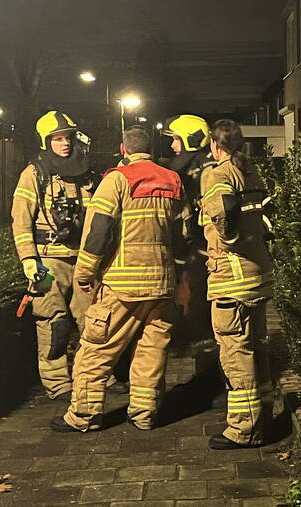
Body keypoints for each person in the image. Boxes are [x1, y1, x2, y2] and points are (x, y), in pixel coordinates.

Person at [51, 125, 186, 432]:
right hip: (163, 284)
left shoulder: (117, 180)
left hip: (123, 285)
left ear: (123, 150)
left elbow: (98, 232)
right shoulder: (173, 179)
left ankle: (83, 416)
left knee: (96, 350)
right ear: (149, 149)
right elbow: (183, 234)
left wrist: (84, 273)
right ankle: (144, 414)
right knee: (151, 352)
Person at [11, 111, 99, 399]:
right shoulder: (34, 174)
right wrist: (28, 260)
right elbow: (21, 221)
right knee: (53, 321)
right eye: (57, 138)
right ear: (46, 141)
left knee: (93, 320)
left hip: (84, 258)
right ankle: (58, 384)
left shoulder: (85, 173)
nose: (64, 143)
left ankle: (93, 378)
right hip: (49, 260)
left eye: (67, 137)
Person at [200, 119, 274, 449]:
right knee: (256, 347)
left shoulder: (216, 173)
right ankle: (264, 415)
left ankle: (244, 429)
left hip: (232, 276)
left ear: (215, 145)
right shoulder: (251, 170)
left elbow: (223, 210)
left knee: (235, 351)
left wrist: (227, 239)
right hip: (258, 272)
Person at [162, 114, 215, 343]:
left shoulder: (207, 170)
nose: (173, 145)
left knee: (199, 305)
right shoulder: (191, 167)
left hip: (205, 250)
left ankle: (206, 359)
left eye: (176, 139)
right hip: (192, 249)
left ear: (191, 139)